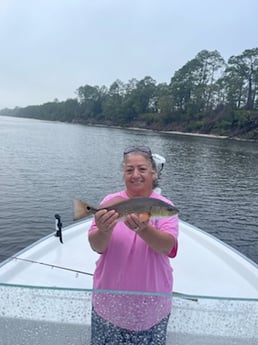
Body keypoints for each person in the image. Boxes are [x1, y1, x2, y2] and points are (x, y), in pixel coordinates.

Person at [88, 145, 179, 345]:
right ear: (123, 173)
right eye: (129, 170)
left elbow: (168, 247)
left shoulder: (164, 206)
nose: (135, 175)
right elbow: (97, 246)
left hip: (150, 312)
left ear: (153, 173)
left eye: (142, 169)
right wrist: (103, 230)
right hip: (108, 307)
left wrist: (144, 229)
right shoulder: (110, 202)